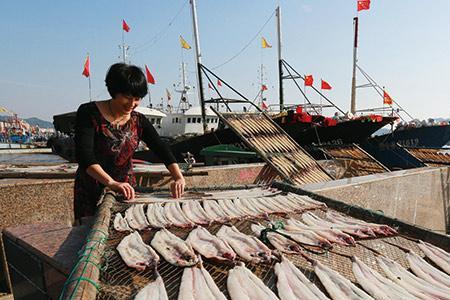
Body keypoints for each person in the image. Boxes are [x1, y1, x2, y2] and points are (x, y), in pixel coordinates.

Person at [74, 63, 185, 221]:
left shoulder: (138, 120)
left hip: (126, 190)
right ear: (114, 91)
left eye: (137, 99)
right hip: (91, 188)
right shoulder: (89, 113)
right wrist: (111, 183)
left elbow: (161, 148)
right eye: (127, 97)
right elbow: (85, 156)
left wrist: (178, 177)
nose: (132, 104)